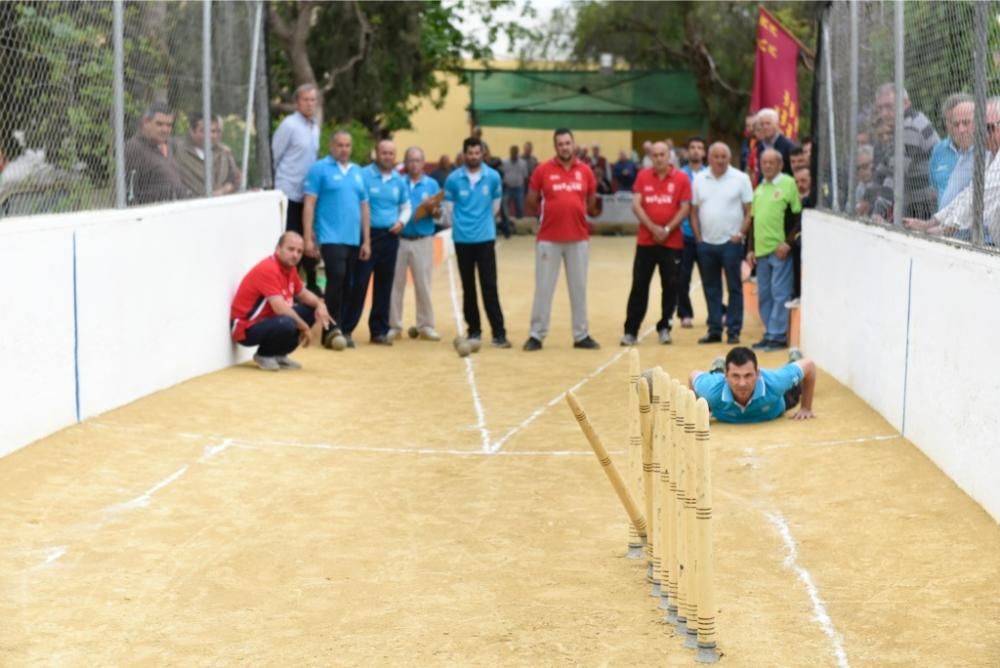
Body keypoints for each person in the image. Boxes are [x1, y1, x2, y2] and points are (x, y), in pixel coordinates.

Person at [522, 128, 601, 352]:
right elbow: (531, 199)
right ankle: (536, 334)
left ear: (573, 145)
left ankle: (581, 334)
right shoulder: (543, 170)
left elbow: (592, 201)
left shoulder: (585, 171)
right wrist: (544, 217)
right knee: (544, 288)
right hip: (548, 239)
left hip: (578, 239)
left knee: (579, 288)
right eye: (560, 144)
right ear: (555, 146)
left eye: (568, 143)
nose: (565, 147)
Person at [302, 129, 370, 349]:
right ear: (331, 146)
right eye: (340, 145)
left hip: (353, 238)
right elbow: (310, 204)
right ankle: (330, 329)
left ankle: (343, 329)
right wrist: (307, 238)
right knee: (336, 279)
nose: (344, 149)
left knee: (350, 284)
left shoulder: (358, 172)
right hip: (330, 236)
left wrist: (366, 240)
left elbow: (365, 207)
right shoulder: (319, 169)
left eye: (347, 145)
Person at [621, 141, 691, 347]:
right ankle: (630, 330)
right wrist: (653, 228)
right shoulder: (643, 176)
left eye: (663, 154)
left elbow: (685, 208)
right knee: (639, 286)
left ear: (670, 155)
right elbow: (636, 205)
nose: (659, 158)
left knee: (670, 286)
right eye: (655, 155)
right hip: (646, 241)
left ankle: (664, 327)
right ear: (650, 157)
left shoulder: (681, 178)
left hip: (672, 243)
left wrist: (667, 229)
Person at [230, 231, 333, 371]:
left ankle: (279, 354)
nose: (295, 255)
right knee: (287, 321)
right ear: (278, 249)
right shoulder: (269, 269)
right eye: (290, 249)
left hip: (268, 321)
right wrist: (305, 327)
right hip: (245, 329)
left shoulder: (290, 269)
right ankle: (264, 355)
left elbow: (302, 293)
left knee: (309, 310)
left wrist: (320, 305)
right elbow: (280, 308)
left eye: (299, 251)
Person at [444, 137, 511, 348]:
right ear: (464, 154)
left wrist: (481, 223)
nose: (474, 157)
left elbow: (495, 207)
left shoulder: (493, 177)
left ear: (483, 154)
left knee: (489, 286)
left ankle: (499, 333)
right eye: (470, 153)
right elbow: (448, 209)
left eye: (477, 153)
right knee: (468, 286)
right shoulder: (453, 179)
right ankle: (474, 330)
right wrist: (463, 224)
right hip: (462, 240)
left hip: (485, 239)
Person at [343, 139, 411, 346]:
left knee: (384, 285)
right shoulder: (363, 175)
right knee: (359, 284)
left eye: (391, 153)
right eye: (384, 152)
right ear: (376, 153)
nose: (387, 156)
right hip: (367, 237)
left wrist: (401, 222)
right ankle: (346, 329)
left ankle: (379, 331)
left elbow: (406, 206)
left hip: (390, 238)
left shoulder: (399, 180)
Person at [904, 98, 1000, 240]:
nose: (985, 134)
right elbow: (969, 194)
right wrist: (932, 222)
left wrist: (944, 229)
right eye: (982, 128)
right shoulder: (988, 157)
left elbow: (976, 200)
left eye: (990, 128)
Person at [691, 142, 753, 345]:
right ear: (709, 158)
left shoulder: (741, 179)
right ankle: (714, 329)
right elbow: (693, 211)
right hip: (706, 244)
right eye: (716, 156)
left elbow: (749, 210)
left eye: (723, 156)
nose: (720, 160)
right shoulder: (699, 179)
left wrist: (740, 234)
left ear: (729, 158)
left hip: (731, 244)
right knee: (711, 288)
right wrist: (698, 238)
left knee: (734, 288)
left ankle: (733, 330)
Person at [747, 149, 801, 352]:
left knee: (780, 293)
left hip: (779, 250)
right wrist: (750, 248)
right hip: (761, 251)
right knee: (765, 294)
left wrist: (787, 243)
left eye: (771, 162)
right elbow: (754, 220)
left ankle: (778, 335)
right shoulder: (759, 188)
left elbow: (797, 217)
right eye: (764, 162)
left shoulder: (788, 183)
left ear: (780, 164)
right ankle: (769, 332)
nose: (767, 166)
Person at [272, 84, 321, 294]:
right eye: (305, 100)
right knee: (290, 243)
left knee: (307, 241)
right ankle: (285, 287)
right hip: (289, 193)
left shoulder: (315, 128)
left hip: (308, 196)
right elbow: (275, 155)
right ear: (296, 102)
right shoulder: (289, 125)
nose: (309, 104)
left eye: (313, 100)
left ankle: (309, 287)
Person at [389, 146, 442, 342]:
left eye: (418, 160)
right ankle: (394, 325)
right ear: (405, 162)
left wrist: (432, 208)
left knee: (423, 284)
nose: (414, 164)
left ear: (424, 163)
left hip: (423, 239)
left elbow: (440, 215)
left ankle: (426, 325)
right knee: (395, 284)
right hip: (399, 239)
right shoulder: (397, 182)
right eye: (410, 160)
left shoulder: (432, 185)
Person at [688, 346, 817, 423]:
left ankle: (794, 358)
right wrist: (695, 411)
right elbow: (693, 375)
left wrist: (806, 408)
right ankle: (718, 368)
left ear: (758, 373)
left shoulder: (775, 383)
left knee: (797, 386)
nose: (742, 384)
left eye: (748, 375)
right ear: (726, 376)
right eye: (735, 376)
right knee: (716, 380)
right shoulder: (711, 390)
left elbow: (809, 366)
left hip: (778, 404)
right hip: (720, 385)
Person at [870, 84, 940, 219]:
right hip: (916, 203)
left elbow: (896, 173)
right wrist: (866, 199)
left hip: (927, 205)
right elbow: (883, 169)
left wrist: (878, 212)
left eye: (889, 106)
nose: (884, 113)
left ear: (906, 104)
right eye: (880, 108)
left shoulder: (909, 126)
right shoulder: (900, 126)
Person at [124, 102, 187, 205]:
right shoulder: (135, 148)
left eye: (169, 125)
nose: (165, 129)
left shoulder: (168, 145)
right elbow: (129, 190)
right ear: (145, 123)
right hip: (152, 212)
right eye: (159, 124)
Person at [678, 136, 708, 329]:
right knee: (682, 277)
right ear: (687, 152)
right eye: (692, 147)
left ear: (704, 152)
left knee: (710, 277)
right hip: (684, 235)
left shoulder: (710, 175)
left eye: (699, 148)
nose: (696, 151)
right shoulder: (680, 175)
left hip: (707, 235)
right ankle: (685, 313)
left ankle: (717, 312)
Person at [172, 113, 241, 197]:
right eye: (205, 131)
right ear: (192, 131)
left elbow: (237, 180)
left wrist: (224, 190)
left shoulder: (224, 152)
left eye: (217, 131)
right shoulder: (177, 149)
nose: (213, 135)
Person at [928, 94, 975, 210]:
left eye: (964, 122)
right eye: (952, 121)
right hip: (942, 222)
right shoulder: (938, 150)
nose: (958, 128)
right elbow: (934, 188)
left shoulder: (984, 150)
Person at [753, 108, 795, 183]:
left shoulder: (788, 146)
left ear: (776, 125)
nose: (765, 127)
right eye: (762, 124)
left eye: (768, 123)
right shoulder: (760, 147)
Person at [501, 144, 528, 222]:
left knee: (520, 207)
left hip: (519, 188)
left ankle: (518, 224)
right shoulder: (504, 162)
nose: (513, 154)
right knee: (504, 205)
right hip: (507, 187)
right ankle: (506, 223)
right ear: (510, 152)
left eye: (515, 153)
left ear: (517, 153)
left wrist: (525, 189)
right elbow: (501, 173)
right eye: (512, 152)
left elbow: (525, 176)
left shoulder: (523, 163)